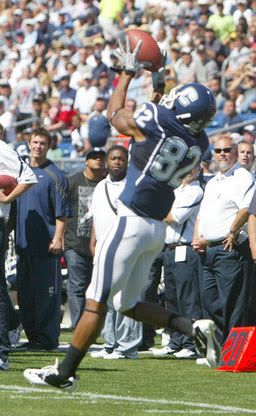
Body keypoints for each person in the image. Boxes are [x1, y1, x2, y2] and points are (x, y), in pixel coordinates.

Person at [23, 37, 220, 390]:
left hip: (128, 222)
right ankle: (192, 327)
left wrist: (127, 76)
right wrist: (159, 89)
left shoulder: (157, 120)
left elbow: (116, 116)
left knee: (95, 303)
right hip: (155, 230)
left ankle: (63, 374)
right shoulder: (199, 143)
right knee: (126, 304)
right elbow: (159, 129)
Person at [192, 136, 255, 346]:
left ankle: (232, 349)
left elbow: (246, 208)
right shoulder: (213, 182)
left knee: (232, 302)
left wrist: (233, 231)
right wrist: (198, 237)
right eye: (218, 150)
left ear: (236, 152)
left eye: (227, 150)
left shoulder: (243, 177)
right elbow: (202, 214)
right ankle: (222, 346)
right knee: (210, 301)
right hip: (208, 249)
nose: (221, 154)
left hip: (230, 247)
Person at [15, 127, 71, 351]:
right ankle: (33, 338)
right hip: (23, 245)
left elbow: (62, 212)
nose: (38, 147)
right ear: (29, 144)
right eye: (35, 142)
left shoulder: (55, 175)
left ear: (49, 147)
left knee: (47, 297)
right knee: (26, 297)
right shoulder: (21, 173)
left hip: (46, 247)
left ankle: (48, 339)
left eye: (42, 143)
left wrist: (58, 238)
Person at [90, 145, 142, 359]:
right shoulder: (100, 186)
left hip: (126, 248)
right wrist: (94, 242)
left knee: (126, 299)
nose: (117, 162)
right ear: (107, 161)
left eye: (121, 158)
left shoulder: (134, 185)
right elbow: (96, 217)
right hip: (104, 248)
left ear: (127, 161)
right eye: (113, 158)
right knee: (106, 298)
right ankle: (110, 343)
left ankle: (128, 346)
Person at [153, 165, 204, 359]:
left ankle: (190, 343)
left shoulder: (195, 191)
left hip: (185, 248)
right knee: (171, 296)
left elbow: (175, 217)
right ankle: (175, 340)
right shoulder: (176, 190)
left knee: (187, 298)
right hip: (169, 248)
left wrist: (161, 211)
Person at [0, 125, 37, 370]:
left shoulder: (2, 150)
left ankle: (2, 350)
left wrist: (7, 198)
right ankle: (12, 323)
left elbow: (28, 177)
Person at [64, 147, 106, 329]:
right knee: (77, 287)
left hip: (101, 244)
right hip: (76, 243)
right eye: (93, 157)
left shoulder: (107, 184)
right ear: (86, 161)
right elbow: (62, 212)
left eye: (100, 158)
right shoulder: (73, 182)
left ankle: (97, 327)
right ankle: (79, 326)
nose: (97, 160)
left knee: (98, 288)